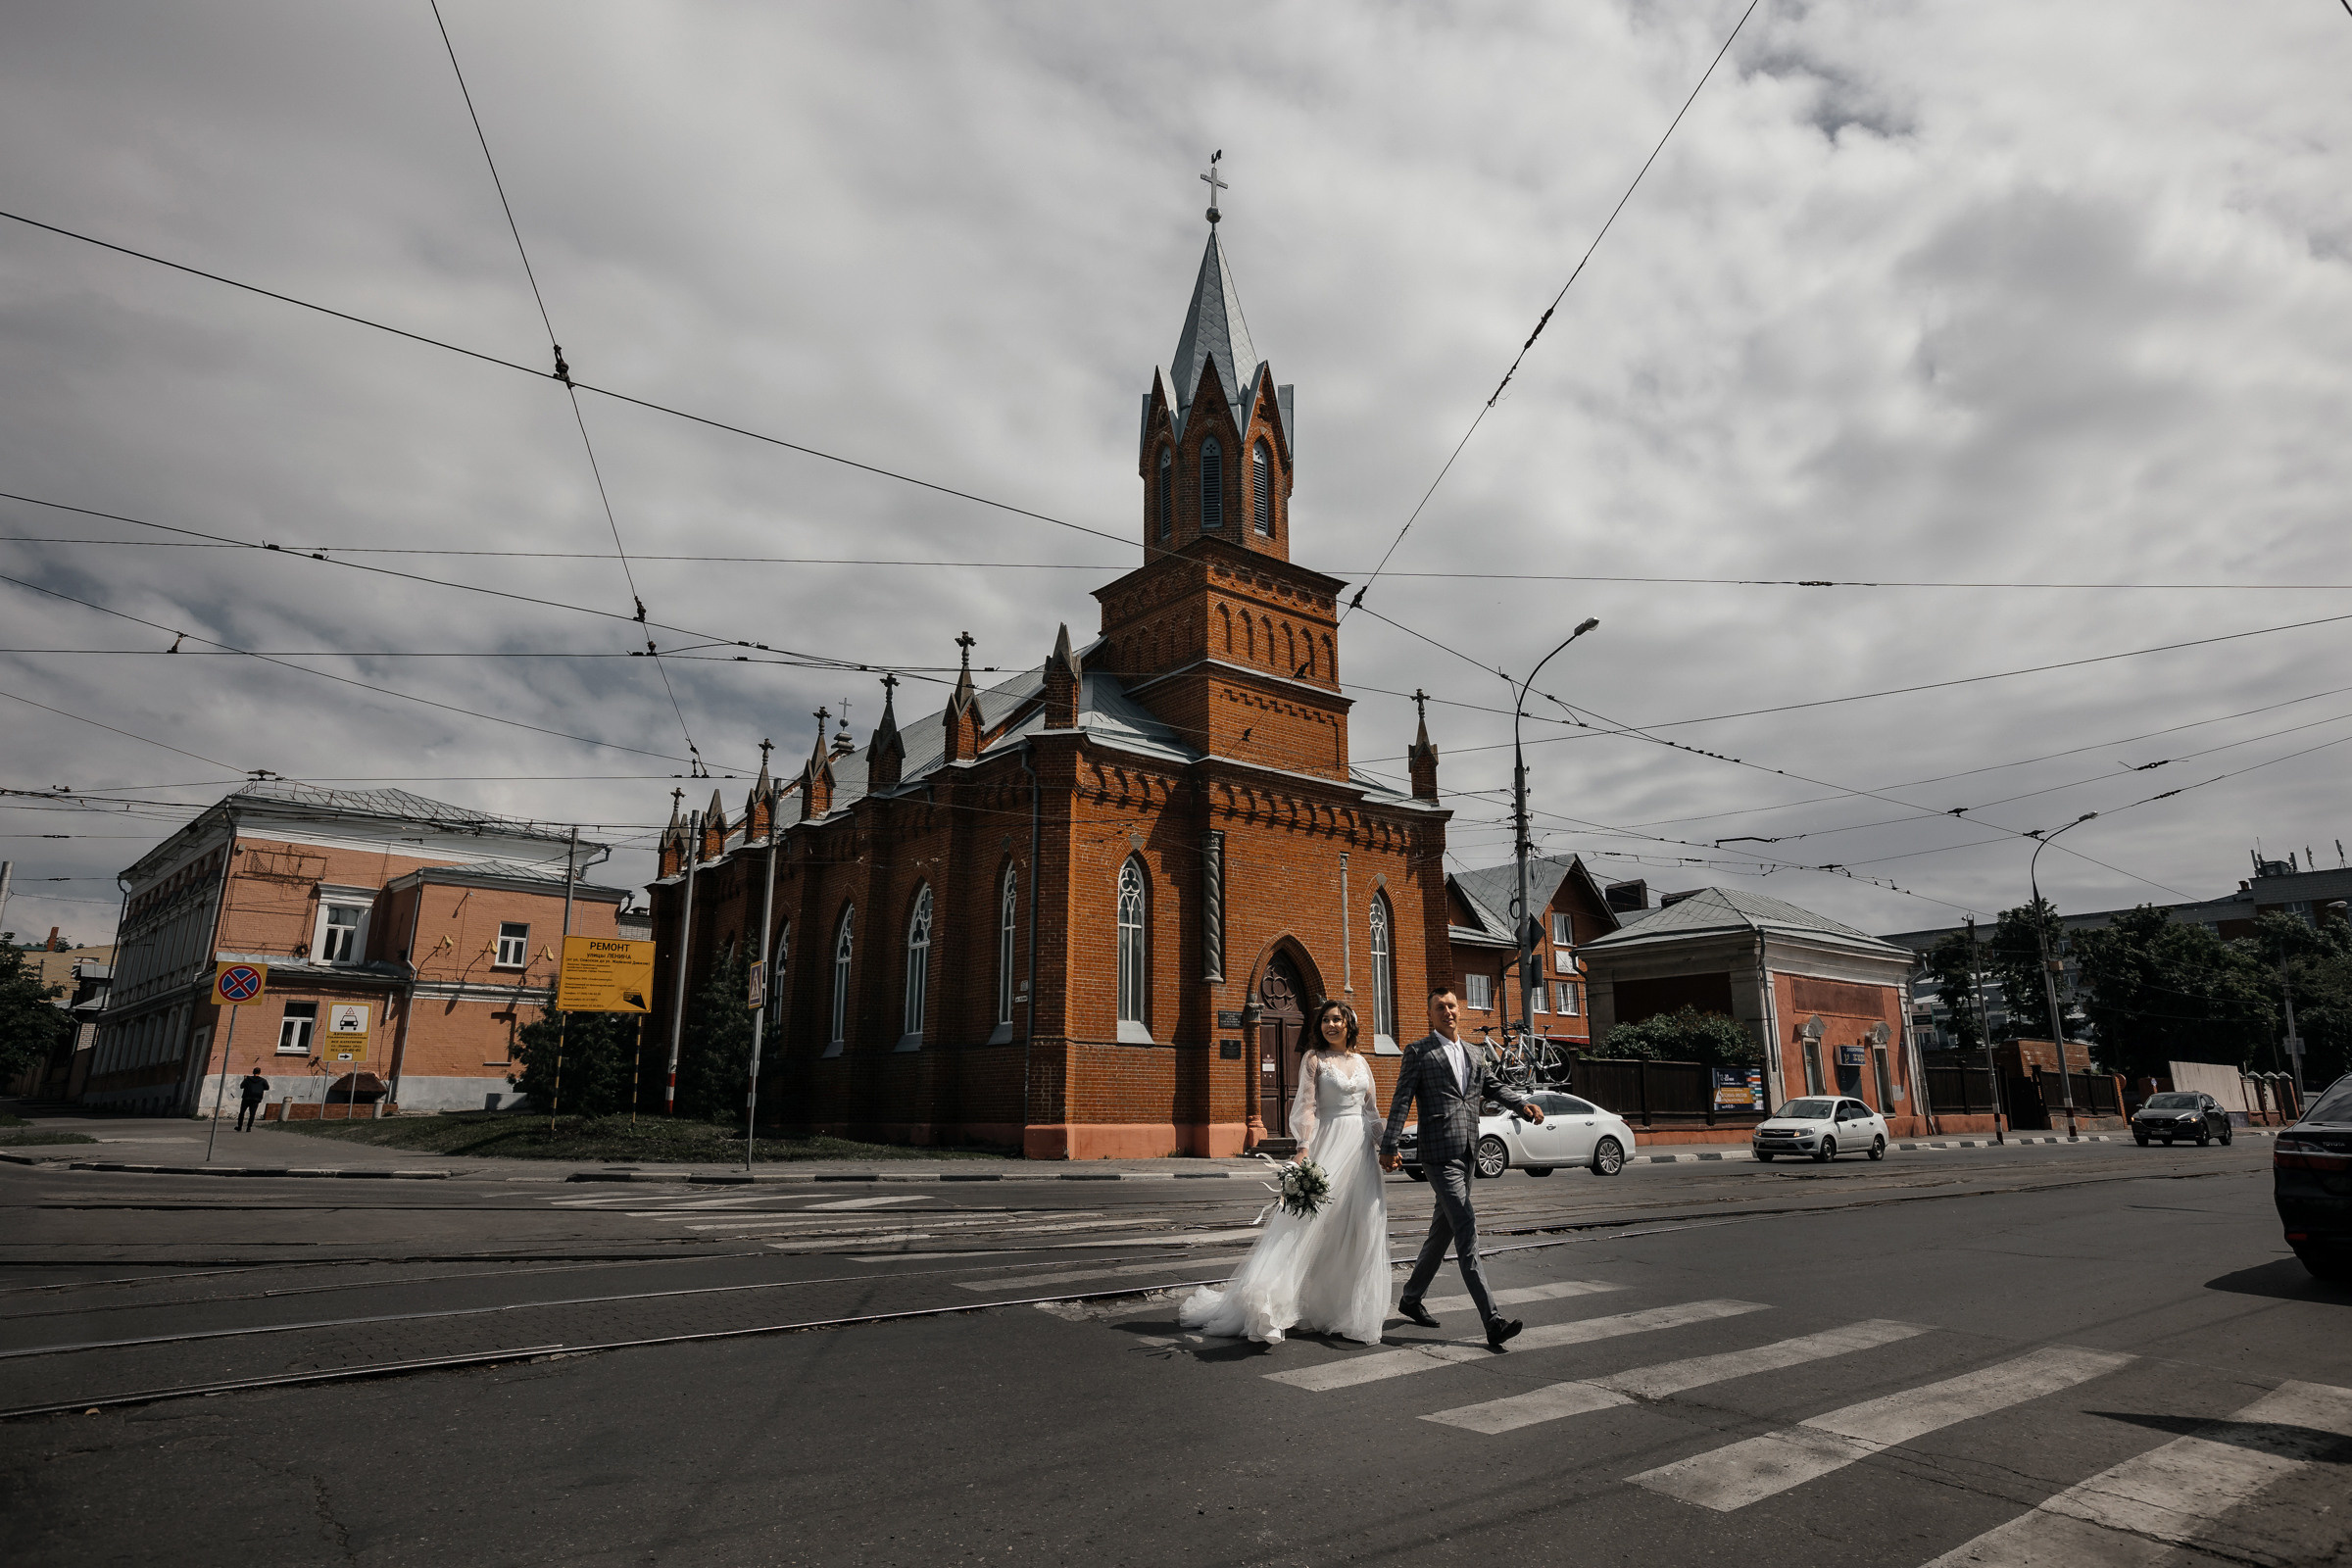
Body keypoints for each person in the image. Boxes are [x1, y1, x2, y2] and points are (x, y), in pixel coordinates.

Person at [1178, 999, 1390, 1346]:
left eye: (1337, 1020)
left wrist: (1388, 1147)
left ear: (1349, 1025)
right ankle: (1271, 1305)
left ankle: (1343, 1310)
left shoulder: (1362, 1061)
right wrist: (1304, 1148)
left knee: (1357, 1231)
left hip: (1362, 1154)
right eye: (1325, 1020)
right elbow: (1306, 1106)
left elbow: (1371, 1111)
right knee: (1306, 1226)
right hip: (1330, 1147)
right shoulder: (1314, 1059)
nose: (1331, 1025)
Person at [1381, 987, 1545, 1351]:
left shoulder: (1474, 1053)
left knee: (1443, 1233)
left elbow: (1493, 1087)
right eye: (1440, 1007)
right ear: (1431, 1014)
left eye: (1452, 1006)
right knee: (1466, 1228)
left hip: (1468, 1153)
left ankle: (1410, 1298)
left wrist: (1523, 1106)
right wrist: (1389, 1145)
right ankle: (1492, 1321)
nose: (1448, 1011)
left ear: (1460, 1011)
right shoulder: (1419, 1052)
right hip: (1438, 1156)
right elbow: (1401, 1099)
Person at [235, 1066, 270, 1131]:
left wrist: (245, 1078)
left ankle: (239, 1127)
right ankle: (249, 1127)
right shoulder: (263, 1080)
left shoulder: (247, 1079)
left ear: (253, 1072)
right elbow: (267, 1088)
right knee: (252, 1114)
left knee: (242, 1112)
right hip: (256, 1099)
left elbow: (241, 1086)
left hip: (246, 1098)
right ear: (259, 1073)